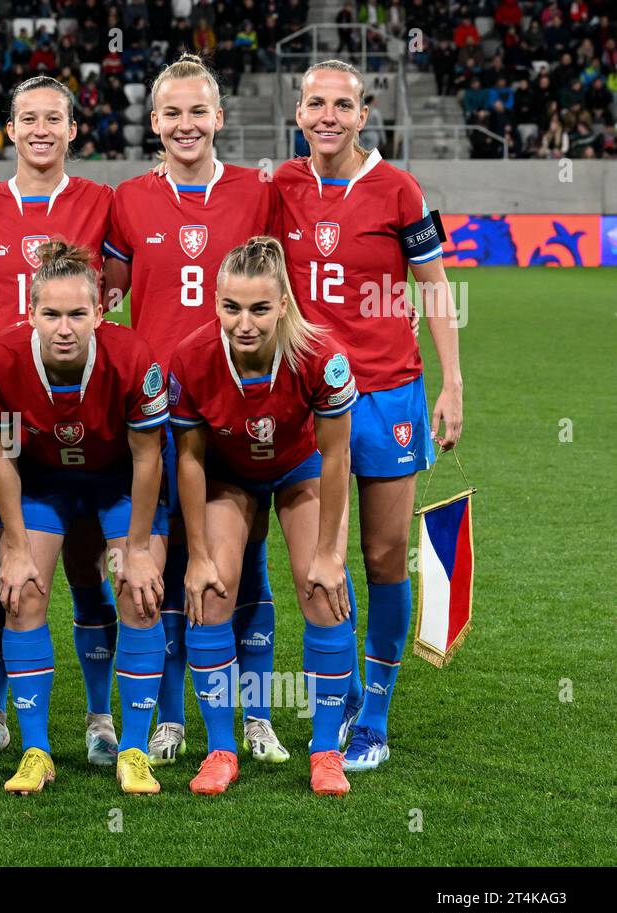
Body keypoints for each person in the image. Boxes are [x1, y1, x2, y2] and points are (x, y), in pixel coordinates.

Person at [275, 60, 464, 771]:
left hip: (388, 394)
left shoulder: (397, 188)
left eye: (342, 105)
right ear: (299, 114)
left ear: (363, 114)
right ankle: (347, 689)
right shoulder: (283, 186)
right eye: (316, 103)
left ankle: (375, 716)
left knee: (383, 556)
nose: (328, 115)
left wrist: (453, 387)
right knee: (320, 556)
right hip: (306, 399)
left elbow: (437, 290)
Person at [103, 53, 288, 768]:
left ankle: (259, 716)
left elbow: (283, 288)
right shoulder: (128, 201)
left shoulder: (255, 192)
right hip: (154, 416)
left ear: (218, 118)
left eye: (197, 111)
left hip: (239, 408)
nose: (185, 124)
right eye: (171, 113)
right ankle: (175, 717)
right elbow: (109, 298)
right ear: (154, 122)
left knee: (249, 566)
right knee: (168, 559)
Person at [0, 75, 125, 767]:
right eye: (29, 118)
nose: (42, 128)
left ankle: (101, 715)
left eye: (55, 118)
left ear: (73, 129)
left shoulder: (101, 204)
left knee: (85, 562)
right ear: (10, 128)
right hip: (0, 411)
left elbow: (117, 291)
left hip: (80, 411)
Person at [0, 241, 170, 796]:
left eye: (78, 314)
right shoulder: (2, 358)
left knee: (139, 592)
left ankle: (132, 748)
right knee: (23, 591)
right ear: (30, 313)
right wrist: (14, 543)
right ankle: (37, 750)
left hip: (116, 484)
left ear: (100, 313)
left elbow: (147, 455)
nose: (65, 328)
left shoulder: (132, 357)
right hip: (43, 482)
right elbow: (2, 455)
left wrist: (134, 548)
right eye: (51, 314)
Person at [170, 237, 357, 797]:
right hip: (229, 474)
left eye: (258, 308)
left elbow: (337, 457)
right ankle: (221, 750)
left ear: (282, 304)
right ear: (216, 302)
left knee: (322, 590)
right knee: (212, 592)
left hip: (300, 470)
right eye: (231, 307)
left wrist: (329, 553)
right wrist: (198, 556)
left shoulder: (321, 356)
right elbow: (191, 459)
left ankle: (325, 752)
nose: (243, 322)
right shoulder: (191, 358)